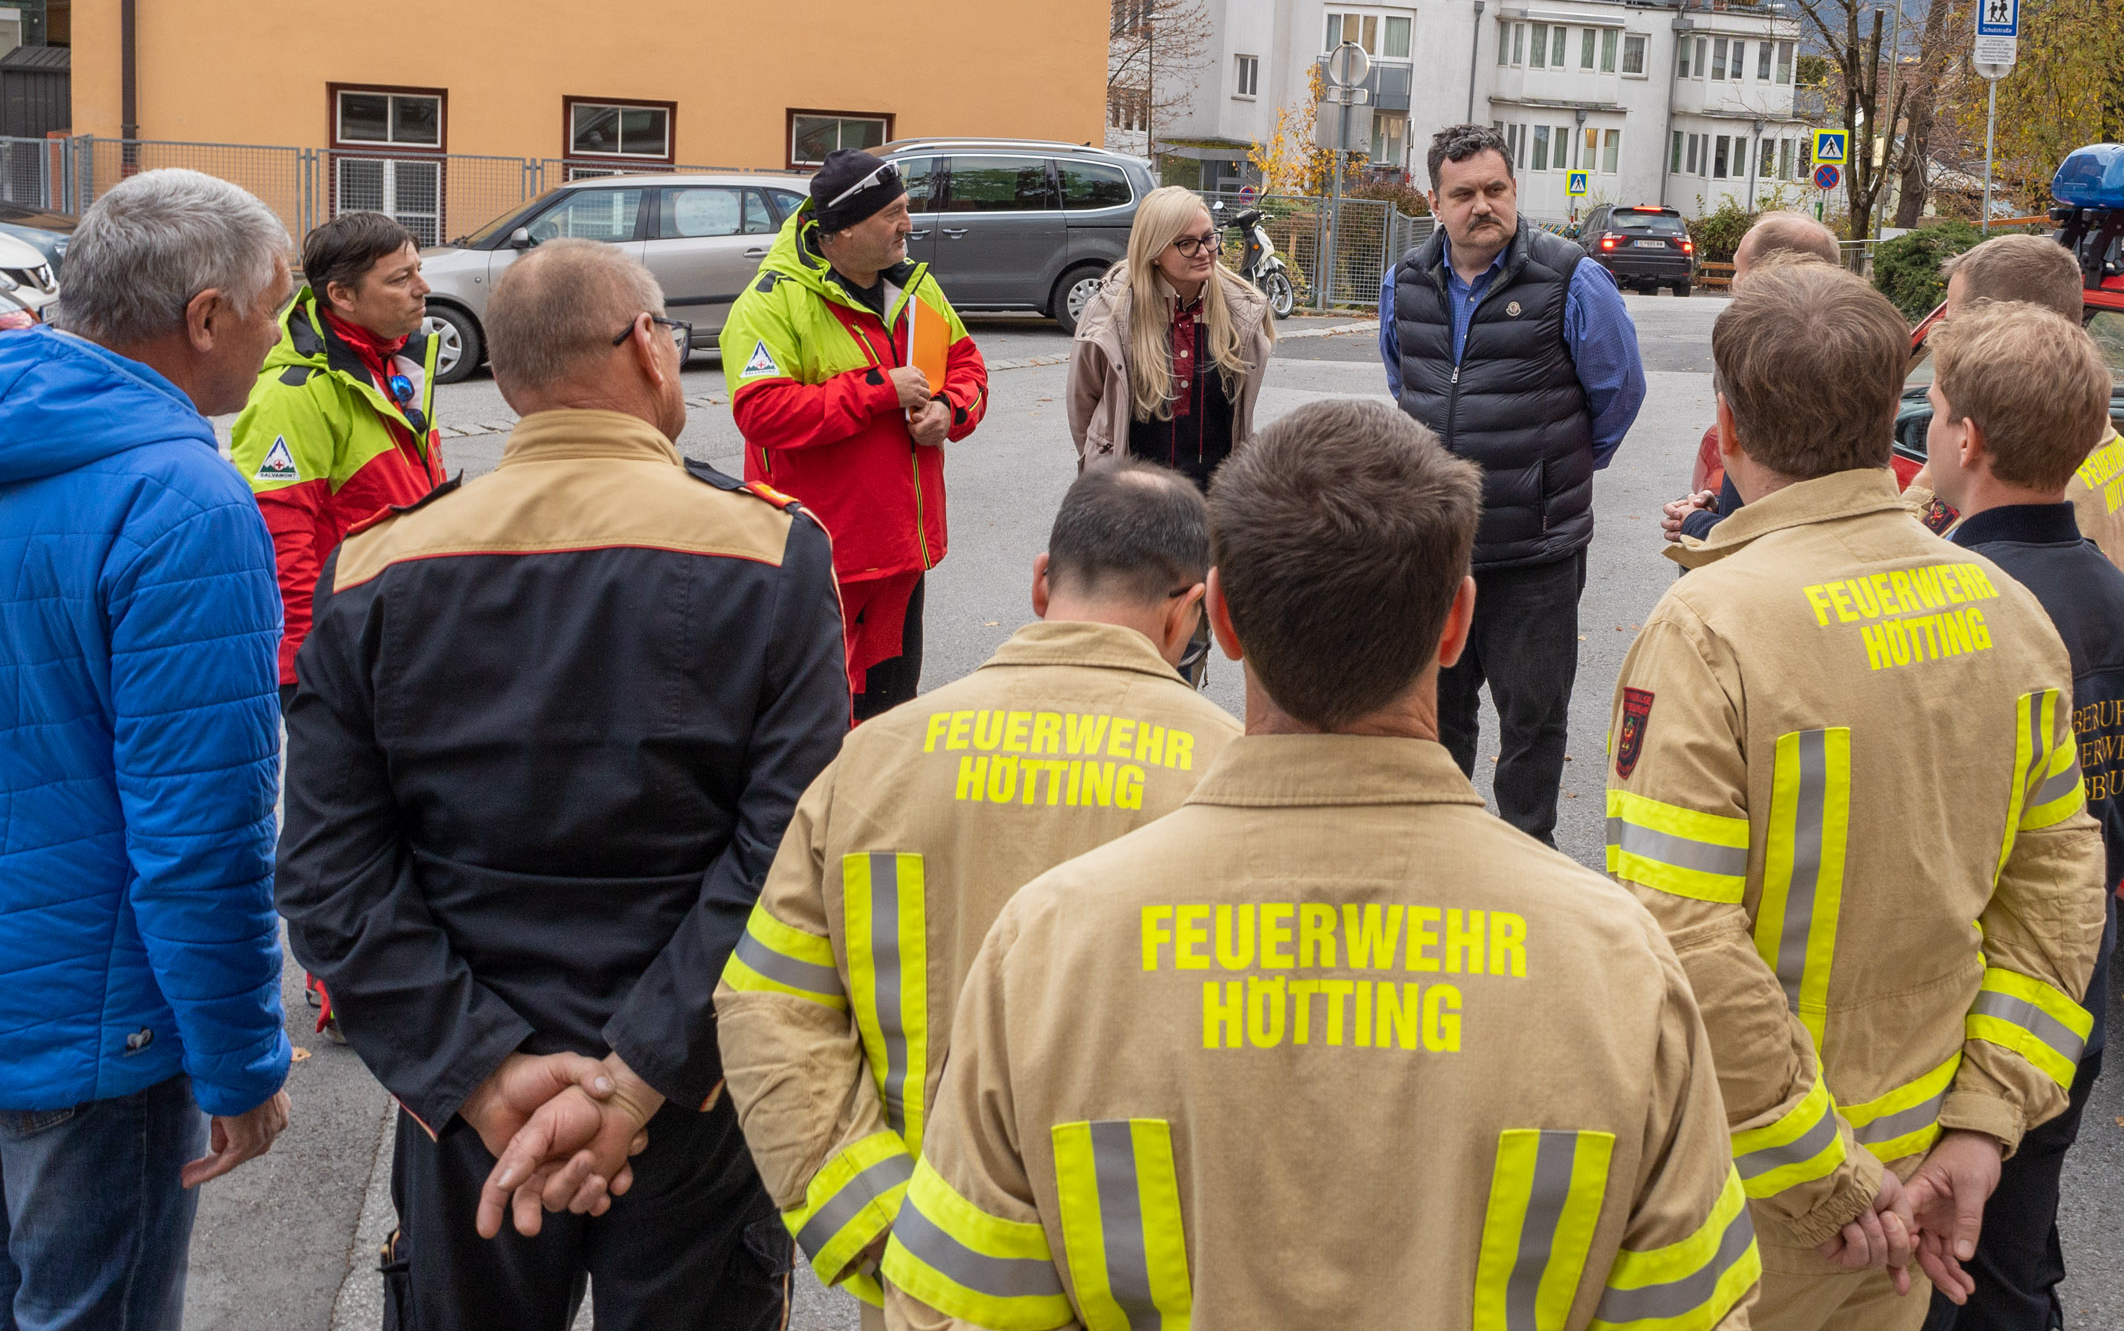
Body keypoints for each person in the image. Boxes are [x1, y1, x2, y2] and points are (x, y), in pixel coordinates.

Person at [882, 400, 1759, 1329]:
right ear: (1456, 622)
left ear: (1219, 616)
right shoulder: (1615, 962)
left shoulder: (1051, 946)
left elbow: (954, 1310)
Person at [279, 239, 848, 1330]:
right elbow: (792, 852)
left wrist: (486, 1078)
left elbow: (328, 870)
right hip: (694, 1078)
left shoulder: (379, 566)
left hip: (468, 1097)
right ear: (645, 345)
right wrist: (635, 1079)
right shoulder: (771, 554)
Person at [1603, 262, 2107, 1330]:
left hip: (1754, 1189)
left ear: (1728, 425)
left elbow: (1677, 930)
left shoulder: (1707, 628)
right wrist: (1979, 1126)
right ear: (1898, 423)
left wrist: (1827, 1168)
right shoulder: (2010, 614)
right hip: (1918, 1181)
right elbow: (2059, 898)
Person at [717, 460, 1241, 1327]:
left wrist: (889, 1228)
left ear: (1041, 581)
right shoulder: (1232, 775)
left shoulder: (872, 763)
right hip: (1152, 1296)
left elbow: (767, 1005)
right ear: (1192, 613)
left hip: (924, 1281)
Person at [0, 170, 297, 1329]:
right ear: (206, 315)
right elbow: (202, 832)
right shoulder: (183, 501)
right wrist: (241, 1062)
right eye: (272, 311)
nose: (278, 340)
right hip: (96, 1035)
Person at [1918, 305, 2124, 1331]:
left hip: (1965, 1019)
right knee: (2017, 1258)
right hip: (2074, 1007)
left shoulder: (1956, 608)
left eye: (1933, 413)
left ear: (1968, 438)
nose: (1930, 432)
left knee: (1947, 1275)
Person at [1378, 124, 1646, 840]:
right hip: (1439, 550)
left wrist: (1553, 473)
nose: (1482, 206)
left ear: (1515, 191)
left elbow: (1618, 392)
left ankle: (1531, 856)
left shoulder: (1571, 276)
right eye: (1463, 194)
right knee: (1438, 716)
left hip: (1537, 551)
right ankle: (1445, 854)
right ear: (1434, 201)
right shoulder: (1404, 283)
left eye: (1496, 190)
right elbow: (1407, 386)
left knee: (1532, 720)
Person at [229, 210, 451, 1040]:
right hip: (335, 655)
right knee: (341, 832)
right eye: (401, 278)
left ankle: (392, 970)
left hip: (402, 643)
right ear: (341, 295)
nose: (422, 287)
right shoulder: (298, 394)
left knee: (404, 816)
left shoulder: (389, 365)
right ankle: (341, 989)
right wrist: (303, 661)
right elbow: (278, 542)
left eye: (417, 269)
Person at [723, 148, 989, 724]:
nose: (908, 224)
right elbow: (762, 413)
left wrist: (950, 410)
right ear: (840, 231)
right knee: (817, 728)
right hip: (822, 565)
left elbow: (969, 366)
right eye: (891, 213)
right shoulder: (768, 304)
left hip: (901, 557)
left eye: (906, 208)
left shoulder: (914, 287)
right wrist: (876, 391)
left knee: (891, 719)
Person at [1932, 235, 2124, 572]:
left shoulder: (2024, 484)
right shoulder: (2109, 446)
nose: (1943, 330)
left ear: (1998, 328)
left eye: (1953, 319)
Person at [1067, 186, 1272, 486]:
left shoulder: (1243, 311)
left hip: (1215, 502)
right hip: (1131, 499)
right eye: (1187, 243)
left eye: (1209, 238)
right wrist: (1103, 469)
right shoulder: (1111, 313)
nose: (1204, 252)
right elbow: (1083, 404)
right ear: (1154, 253)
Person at [1667, 209, 1844, 541]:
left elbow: (1765, 531)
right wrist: (1721, 508)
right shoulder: (1854, 344)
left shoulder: (1760, 354)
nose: (1734, 282)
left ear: (1767, 275)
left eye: (1738, 269)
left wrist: (1698, 524)